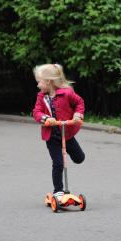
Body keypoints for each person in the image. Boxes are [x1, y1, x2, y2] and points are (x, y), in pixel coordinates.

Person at [32, 64, 85, 201]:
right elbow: (36, 112)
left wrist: (77, 115)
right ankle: (58, 191)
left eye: (39, 81)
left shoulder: (67, 93)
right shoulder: (41, 97)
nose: (38, 85)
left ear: (48, 82)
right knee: (58, 163)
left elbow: (79, 102)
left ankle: (69, 153)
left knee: (79, 158)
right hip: (52, 137)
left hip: (67, 133)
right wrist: (45, 118)